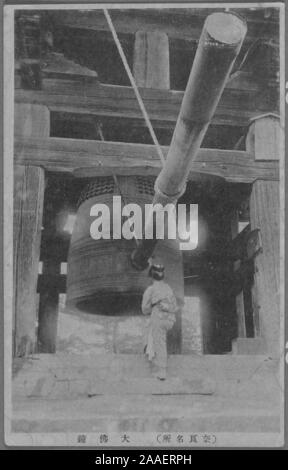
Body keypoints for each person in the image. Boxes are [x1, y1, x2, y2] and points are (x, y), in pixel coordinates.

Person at [141, 263, 178, 380]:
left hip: (158, 318)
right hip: (170, 319)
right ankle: (157, 366)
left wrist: (153, 306)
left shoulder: (150, 289)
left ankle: (161, 371)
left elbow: (144, 310)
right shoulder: (168, 288)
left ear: (152, 276)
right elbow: (175, 307)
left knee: (159, 343)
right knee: (158, 340)